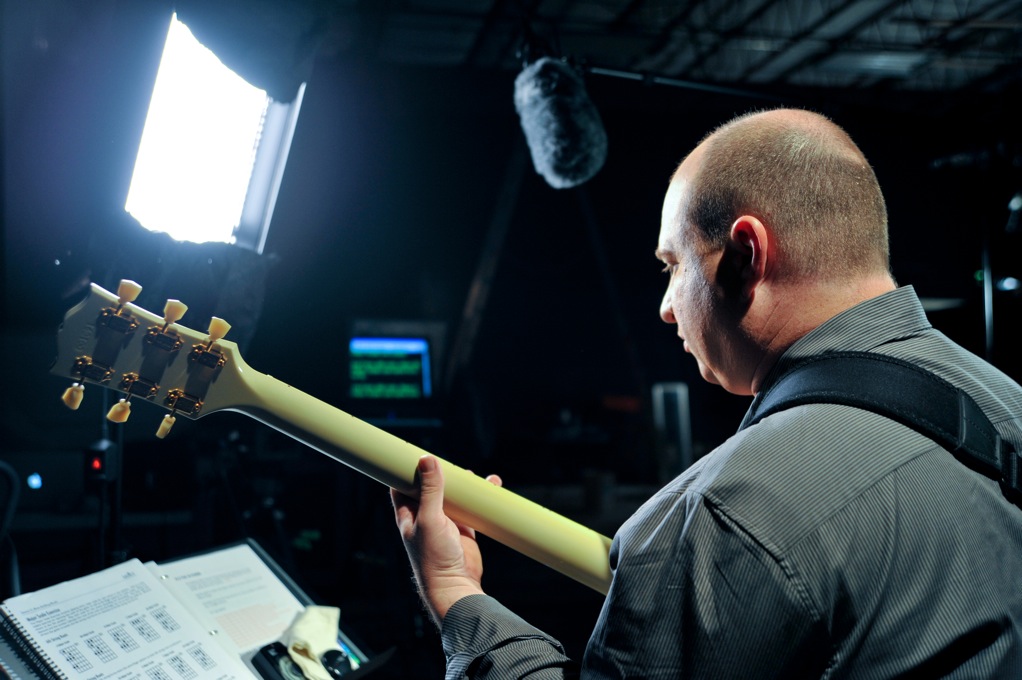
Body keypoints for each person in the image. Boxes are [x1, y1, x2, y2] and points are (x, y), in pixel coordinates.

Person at [391, 108, 1022, 678]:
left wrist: (457, 595)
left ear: (747, 254)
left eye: (672, 265)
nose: (666, 309)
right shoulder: (1006, 405)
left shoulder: (728, 517)